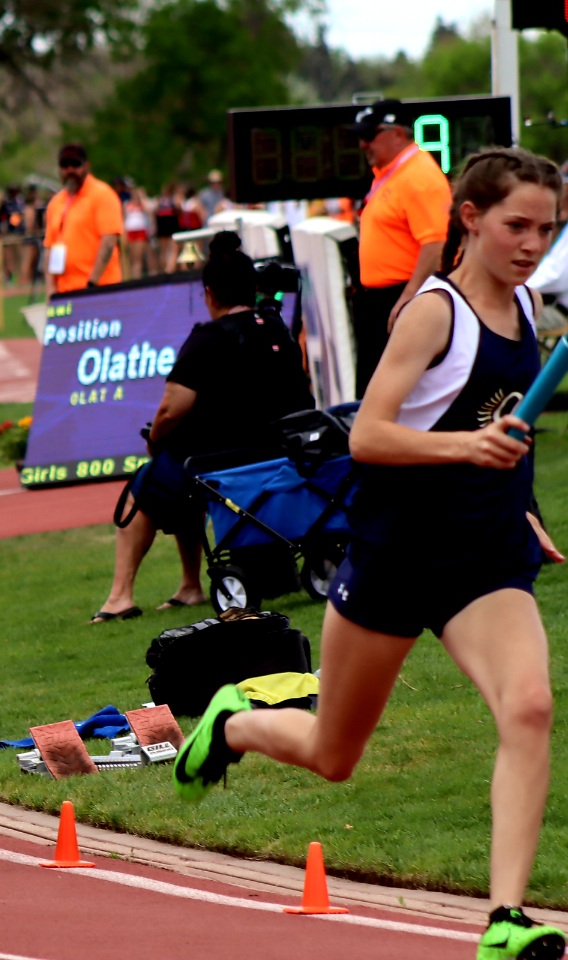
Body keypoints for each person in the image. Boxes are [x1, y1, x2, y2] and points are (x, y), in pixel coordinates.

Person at [173, 150, 566, 960]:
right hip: (395, 554)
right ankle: (234, 723)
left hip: (484, 555)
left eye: (548, 228)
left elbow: (509, 428)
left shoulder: (528, 306)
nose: (532, 243)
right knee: (333, 755)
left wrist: (521, 506)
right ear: (469, 218)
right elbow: (369, 435)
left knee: (528, 707)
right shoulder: (434, 311)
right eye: (516, 225)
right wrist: (469, 450)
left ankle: (504, 919)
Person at [92, 232, 312, 623]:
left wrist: (156, 440)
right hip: (284, 452)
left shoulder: (207, 339)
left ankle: (119, 597)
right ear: (253, 286)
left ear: (209, 293)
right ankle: (190, 586)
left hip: (223, 461)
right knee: (178, 473)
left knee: (146, 484)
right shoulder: (276, 327)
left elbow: (171, 410)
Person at [348, 99, 451, 399]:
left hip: (400, 297)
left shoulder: (418, 175)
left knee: (391, 397)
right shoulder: (392, 173)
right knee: (372, 396)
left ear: (397, 133)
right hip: (380, 300)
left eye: (370, 135)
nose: (363, 144)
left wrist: (408, 299)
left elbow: (436, 244)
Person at [43, 143, 123, 293]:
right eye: (65, 165)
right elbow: (49, 248)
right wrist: (51, 289)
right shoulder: (56, 203)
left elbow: (109, 241)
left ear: (86, 166)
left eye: (75, 164)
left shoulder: (102, 195)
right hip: (65, 291)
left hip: (99, 287)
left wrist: (92, 283)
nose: (70, 170)